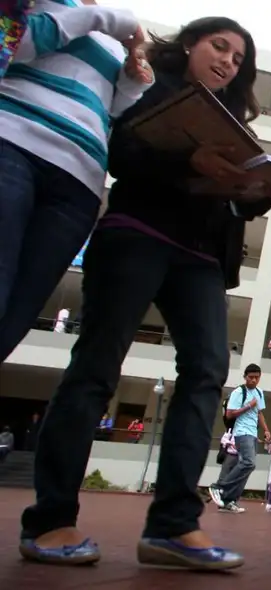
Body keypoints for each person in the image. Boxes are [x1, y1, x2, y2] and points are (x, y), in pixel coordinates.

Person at [19, 17, 271, 570]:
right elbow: (119, 152)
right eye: (219, 47)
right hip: (137, 232)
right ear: (190, 44)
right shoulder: (148, 86)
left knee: (209, 372)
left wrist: (260, 194)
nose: (227, 62)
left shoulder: (232, 119)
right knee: (96, 367)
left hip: (200, 255)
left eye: (238, 59)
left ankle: (172, 527)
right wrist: (186, 159)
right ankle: (50, 519)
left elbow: (229, 203)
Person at [0, 1, 151, 364]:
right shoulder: (37, 4)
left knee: (21, 309)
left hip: (79, 181)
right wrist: (101, 17)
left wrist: (131, 81)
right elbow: (11, 46)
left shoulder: (116, 41)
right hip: (12, 143)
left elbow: (109, 112)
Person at [209, 365, 270, 513]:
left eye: (257, 377)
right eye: (251, 377)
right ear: (245, 377)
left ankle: (229, 501)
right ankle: (219, 487)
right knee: (249, 462)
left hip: (253, 433)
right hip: (241, 432)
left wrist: (266, 430)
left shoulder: (259, 392)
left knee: (248, 466)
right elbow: (229, 414)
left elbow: (259, 413)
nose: (254, 380)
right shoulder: (238, 392)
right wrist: (248, 406)